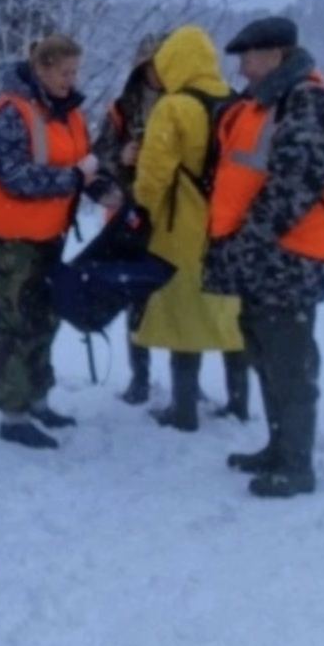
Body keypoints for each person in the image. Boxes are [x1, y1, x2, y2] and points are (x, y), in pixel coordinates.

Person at [204, 15, 324, 498]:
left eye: (248, 56)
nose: (241, 68)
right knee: (266, 356)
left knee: (289, 362)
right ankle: (278, 447)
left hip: (290, 256)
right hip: (263, 256)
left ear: (276, 56)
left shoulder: (308, 101)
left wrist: (247, 241)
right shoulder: (264, 104)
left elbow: (295, 185)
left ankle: (297, 465)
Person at [0, 34, 118, 450]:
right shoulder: (8, 112)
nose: (70, 80)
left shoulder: (68, 113)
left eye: (75, 72)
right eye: (63, 72)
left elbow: (80, 167)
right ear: (40, 68)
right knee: (14, 322)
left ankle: (38, 398)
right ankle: (12, 414)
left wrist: (102, 191)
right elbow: (15, 177)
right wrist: (74, 179)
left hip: (47, 235)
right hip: (7, 240)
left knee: (45, 317)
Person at [129, 24, 244, 433]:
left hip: (183, 227)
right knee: (231, 314)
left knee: (185, 317)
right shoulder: (238, 103)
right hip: (231, 225)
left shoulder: (174, 107)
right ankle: (239, 402)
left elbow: (152, 175)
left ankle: (183, 410)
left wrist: (141, 216)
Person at [93, 32, 166, 404]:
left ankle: (188, 378)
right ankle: (141, 376)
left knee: (180, 299)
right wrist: (121, 156)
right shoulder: (122, 109)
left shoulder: (191, 105)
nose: (158, 71)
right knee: (137, 300)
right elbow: (97, 159)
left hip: (175, 216)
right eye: (151, 64)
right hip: (131, 217)